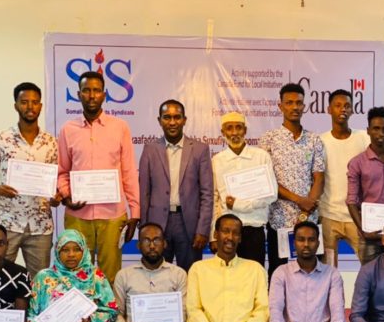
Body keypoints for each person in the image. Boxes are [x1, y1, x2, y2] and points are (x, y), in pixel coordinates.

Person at [57, 71, 140, 285]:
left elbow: (129, 172)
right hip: (78, 215)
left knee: (110, 277)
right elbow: (62, 171)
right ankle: (79, 319)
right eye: (86, 90)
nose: (91, 95)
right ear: (79, 94)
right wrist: (67, 197)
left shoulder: (120, 127)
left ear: (104, 94)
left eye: (96, 90)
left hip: (113, 215)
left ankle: (108, 318)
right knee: (75, 274)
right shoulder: (68, 130)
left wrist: (135, 213)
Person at [0, 82, 61, 280]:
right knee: (0, 278)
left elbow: (54, 182)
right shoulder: (1, 138)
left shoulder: (51, 142)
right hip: (8, 223)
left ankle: (33, 313)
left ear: (41, 106)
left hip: (40, 225)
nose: (30, 107)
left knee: (39, 281)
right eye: (24, 102)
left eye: (34, 102)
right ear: (15, 105)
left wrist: (56, 198)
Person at [139, 99, 213, 272]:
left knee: (190, 276)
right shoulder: (150, 149)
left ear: (184, 119)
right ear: (159, 120)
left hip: (188, 225)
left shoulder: (200, 149)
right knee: (157, 275)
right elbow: (144, 193)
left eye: (177, 117)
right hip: (157, 224)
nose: (172, 122)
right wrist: (144, 229)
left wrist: (202, 229)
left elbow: (207, 193)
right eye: (167, 117)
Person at [260, 83, 325, 278]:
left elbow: (319, 177)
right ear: (280, 106)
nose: (295, 107)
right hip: (278, 220)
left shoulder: (314, 140)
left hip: (308, 221)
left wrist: (306, 208)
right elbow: (267, 180)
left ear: (304, 106)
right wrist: (300, 200)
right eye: (289, 103)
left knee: (311, 272)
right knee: (277, 273)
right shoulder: (269, 139)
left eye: (299, 103)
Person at [211, 111, 276, 266]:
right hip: (226, 232)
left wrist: (240, 205)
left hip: (254, 229)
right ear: (223, 132)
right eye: (229, 128)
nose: (234, 133)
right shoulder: (217, 160)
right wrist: (213, 235)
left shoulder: (261, 156)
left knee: (253, 277)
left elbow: (271, 195)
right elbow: (214, 199)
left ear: (245, 130)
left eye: (238, 128)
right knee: (227, 279)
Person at [346, 107, 384, 264]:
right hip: (369, 234)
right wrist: (363, 230)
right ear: (368, 130)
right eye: (376, 128)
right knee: (370, 280)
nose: (381, 133)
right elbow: (351, 201)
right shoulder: (356, 163)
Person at [319, 89, 370, 266]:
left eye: (347, 106)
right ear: (329, 109)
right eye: (338, 105)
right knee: (328, 271)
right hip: (329, 216)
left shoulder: (363, 138)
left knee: (368, 267)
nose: (343, 109)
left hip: (356, 217)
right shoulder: (320, 141)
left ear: (352, 110)